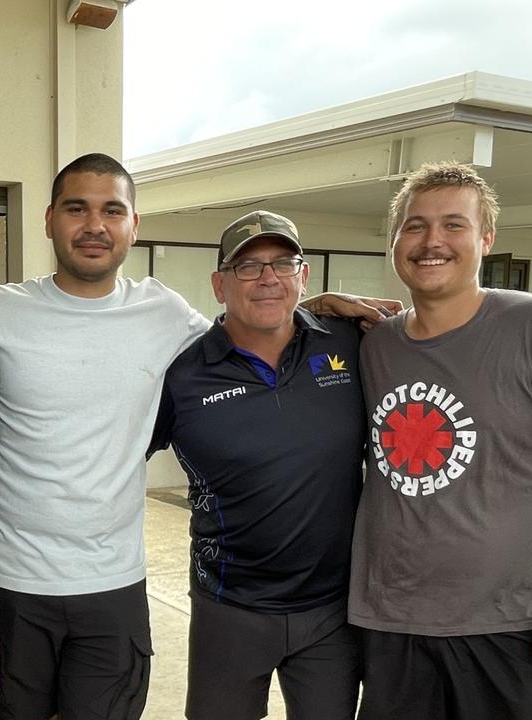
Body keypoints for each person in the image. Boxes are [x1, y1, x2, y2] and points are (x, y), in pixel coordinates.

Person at [0, 154, 397, 719]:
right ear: (50, 221)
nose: (94, 225)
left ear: (133, 225)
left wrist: (310, 306)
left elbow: (248, 327)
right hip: (8, 586)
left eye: (112, 210)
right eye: (77, 208)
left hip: (114, 587)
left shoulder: (165, 314)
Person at [350, 161, 532, 719]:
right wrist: (314, 306)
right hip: (390, 624)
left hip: (512, 625)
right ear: (393, 242)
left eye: (454, 225)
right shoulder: (373, 344)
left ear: (485, 239)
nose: (432, 241)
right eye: (414, 226)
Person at [149, 211, 365, 719]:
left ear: (304, 275)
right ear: (219, 285)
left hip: (332, 611)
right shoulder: (182, 375)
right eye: (247, 267)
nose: (268, 278)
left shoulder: (352, 344)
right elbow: (113, 458)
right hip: (231, 608)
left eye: (282, 263)